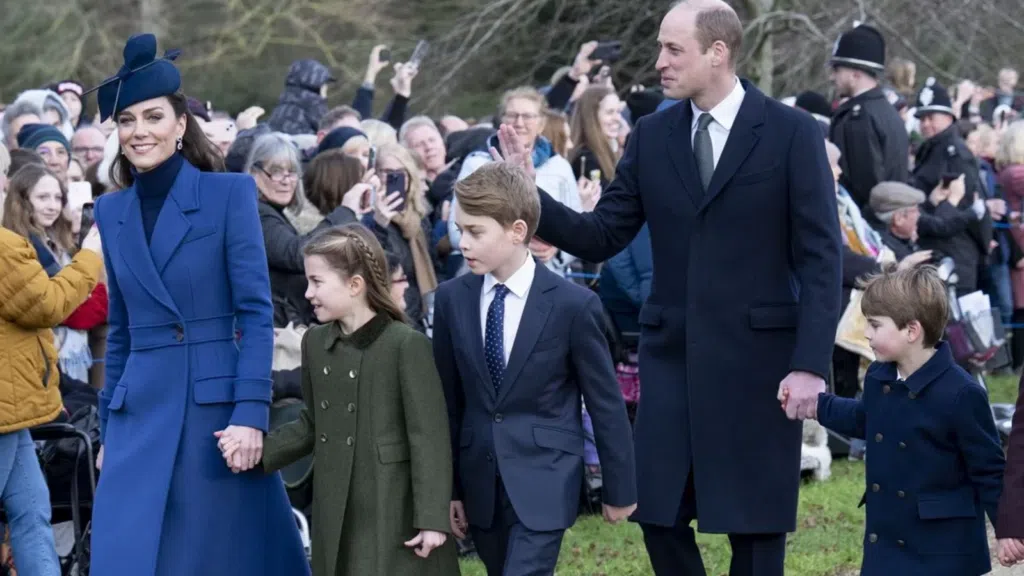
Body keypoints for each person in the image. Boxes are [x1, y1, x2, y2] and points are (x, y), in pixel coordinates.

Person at [501, 1, 843, 573]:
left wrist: (810, 364)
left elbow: (821, 258)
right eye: (661, 47)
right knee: (657, 515)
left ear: (718, 52)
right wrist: (525, 191)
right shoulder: (653, 134)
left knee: (755, 528)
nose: (659, 61)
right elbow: (601, 233)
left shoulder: (791, 133)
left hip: (759, 365)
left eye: (672, 49)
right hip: (672, 360)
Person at [86, 33, 308, 575]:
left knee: (215, 558)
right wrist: (109, 428)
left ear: (180, 125)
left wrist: (251, 415)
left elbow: (257, 315)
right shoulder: (110, 211)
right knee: (129, 556)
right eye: (128, 120)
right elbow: (121, 331)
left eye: (153, 117)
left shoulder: (229, 195)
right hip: (139, 410)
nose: (140, 131)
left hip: (215, 411)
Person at [432, 162, 637, 575]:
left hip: (546, 477)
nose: (463, 242)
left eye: (475, 231)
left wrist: (620, 486)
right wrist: (450, 489)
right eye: (459, 229)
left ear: (517, 231)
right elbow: (448, 402)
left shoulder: (572, 305)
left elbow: (604, 402)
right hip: (480, 481)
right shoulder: (453, 299)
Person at [237, 224, 458, 576]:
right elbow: (313, 423)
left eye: (317, 282)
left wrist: (432, 519)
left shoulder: (405, 344)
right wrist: (258, 452)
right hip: (337, 499)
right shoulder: (316, 343)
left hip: (392, 506)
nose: (308, 293)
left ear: (355, 285)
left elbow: (428, 438)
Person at [808, 266, 1005, 575]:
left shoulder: (962, 393)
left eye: (874, 324)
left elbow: (989, 469)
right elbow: (865, 420)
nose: (866, 333)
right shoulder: (879, 375)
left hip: (944, 549)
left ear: (911, 331)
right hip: (888, 537)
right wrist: (817, 405)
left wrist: (1007, 528)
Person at [0, 223, 103, 576]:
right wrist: (90, 255)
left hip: (13, 408)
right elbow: (49, 304)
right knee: (31, 517)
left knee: (32, 513)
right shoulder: (3, 246)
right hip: (6, 405)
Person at [910, 77, 992, 296]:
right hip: (937, 253)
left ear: (948, 116)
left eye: (931, 117)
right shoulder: (930, 150)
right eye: (921, 118)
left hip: (954, 255)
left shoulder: (956, 155)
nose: (925, 124)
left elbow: (967, 208)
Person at [828, 24, 909, 211]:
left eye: (837, 70)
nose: (833, 77)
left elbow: (864, 187)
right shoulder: (885, 110)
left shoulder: (860, 118)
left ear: (855, 74)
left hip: (867, 224)